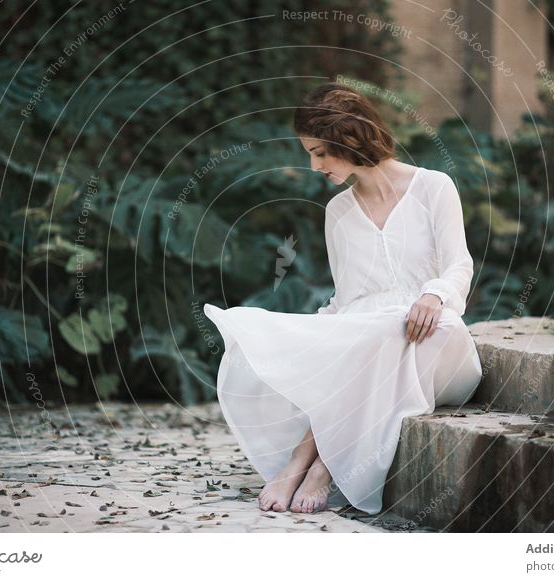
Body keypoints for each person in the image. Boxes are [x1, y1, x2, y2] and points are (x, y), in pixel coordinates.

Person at [203, 82, 482, 515]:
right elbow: (348, 299)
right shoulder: (338, 212)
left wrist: (434, 294)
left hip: (438, 344)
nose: (313, 166)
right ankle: (315, 460)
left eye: (319, 152)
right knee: (367, 332)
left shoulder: (434, 187)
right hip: (374, 340)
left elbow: (459, 265)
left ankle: (313, 463)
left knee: (396, 327)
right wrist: (319, 337)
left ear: (348, 139)